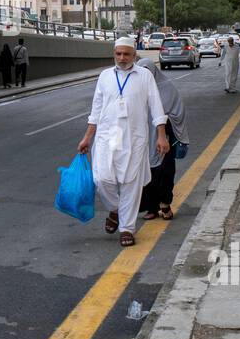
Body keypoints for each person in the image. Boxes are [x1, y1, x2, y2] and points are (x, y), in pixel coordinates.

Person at [77, 38, 170, 248]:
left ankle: (127, 228)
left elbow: (156, 108)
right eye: (118, 54)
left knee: (131, 183)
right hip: (107, 136)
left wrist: (162, 136)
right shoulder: (105, 76)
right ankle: (116, 209)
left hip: (134, 137)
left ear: (134, 55)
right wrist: (87, 137)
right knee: (102, 179)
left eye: (126, 54)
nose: (121, 58)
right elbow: (96, 110)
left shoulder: (145, 76)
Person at [136, 58, 190, 221]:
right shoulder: (136, 89)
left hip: (164, 138)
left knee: (165, 171)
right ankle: (151, 207)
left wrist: (163, 127)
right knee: (146, 173)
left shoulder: (166, 87)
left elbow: (177, 112)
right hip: (143, 138)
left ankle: (165, 204)